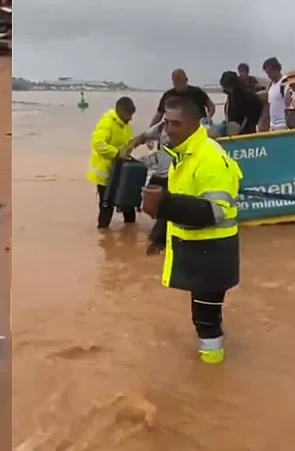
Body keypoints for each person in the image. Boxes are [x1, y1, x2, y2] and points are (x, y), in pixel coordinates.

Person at [141, 96, 242, 365]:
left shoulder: (209, 157)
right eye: (166, 123)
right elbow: (180, 196)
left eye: (176, 123)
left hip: (213, 253)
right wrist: (159, 234)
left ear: (194, 124)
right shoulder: (182, 154)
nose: (169, 129)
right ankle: (212, 359)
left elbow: (215, 211)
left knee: (205, 319)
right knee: (205, 313)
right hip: (199, 250)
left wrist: (164, 204)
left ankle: (212, 374)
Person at [86, 97, 137, 228]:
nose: (130, 119)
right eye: (128, 115)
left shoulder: (126, 126)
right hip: (105, 173)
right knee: (106, 205)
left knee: (128, 203)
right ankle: (103, 235)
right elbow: (97, 143)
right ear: (120, 111)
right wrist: (116, 153)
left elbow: (127, 144)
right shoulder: (107, 123)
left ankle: (130, 234)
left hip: (120, 170)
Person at [149, 69, 215, 127]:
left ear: (186, 80)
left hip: (198, 124)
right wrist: (151, 127)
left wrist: (208, 117)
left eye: (180, 81)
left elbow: (211, 106)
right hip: (176, 127)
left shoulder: (197, 92)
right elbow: (159, 114)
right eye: (175, 81)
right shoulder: (168, 96)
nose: (178, 83)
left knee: (212, 133)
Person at [261, 57, 288, 131]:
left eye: (270, 72)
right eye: (267, 73)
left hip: (284, 125)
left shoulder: (285, 83)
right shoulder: (270, 85)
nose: (269, 75)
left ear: (277, 69)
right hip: (273, 126)